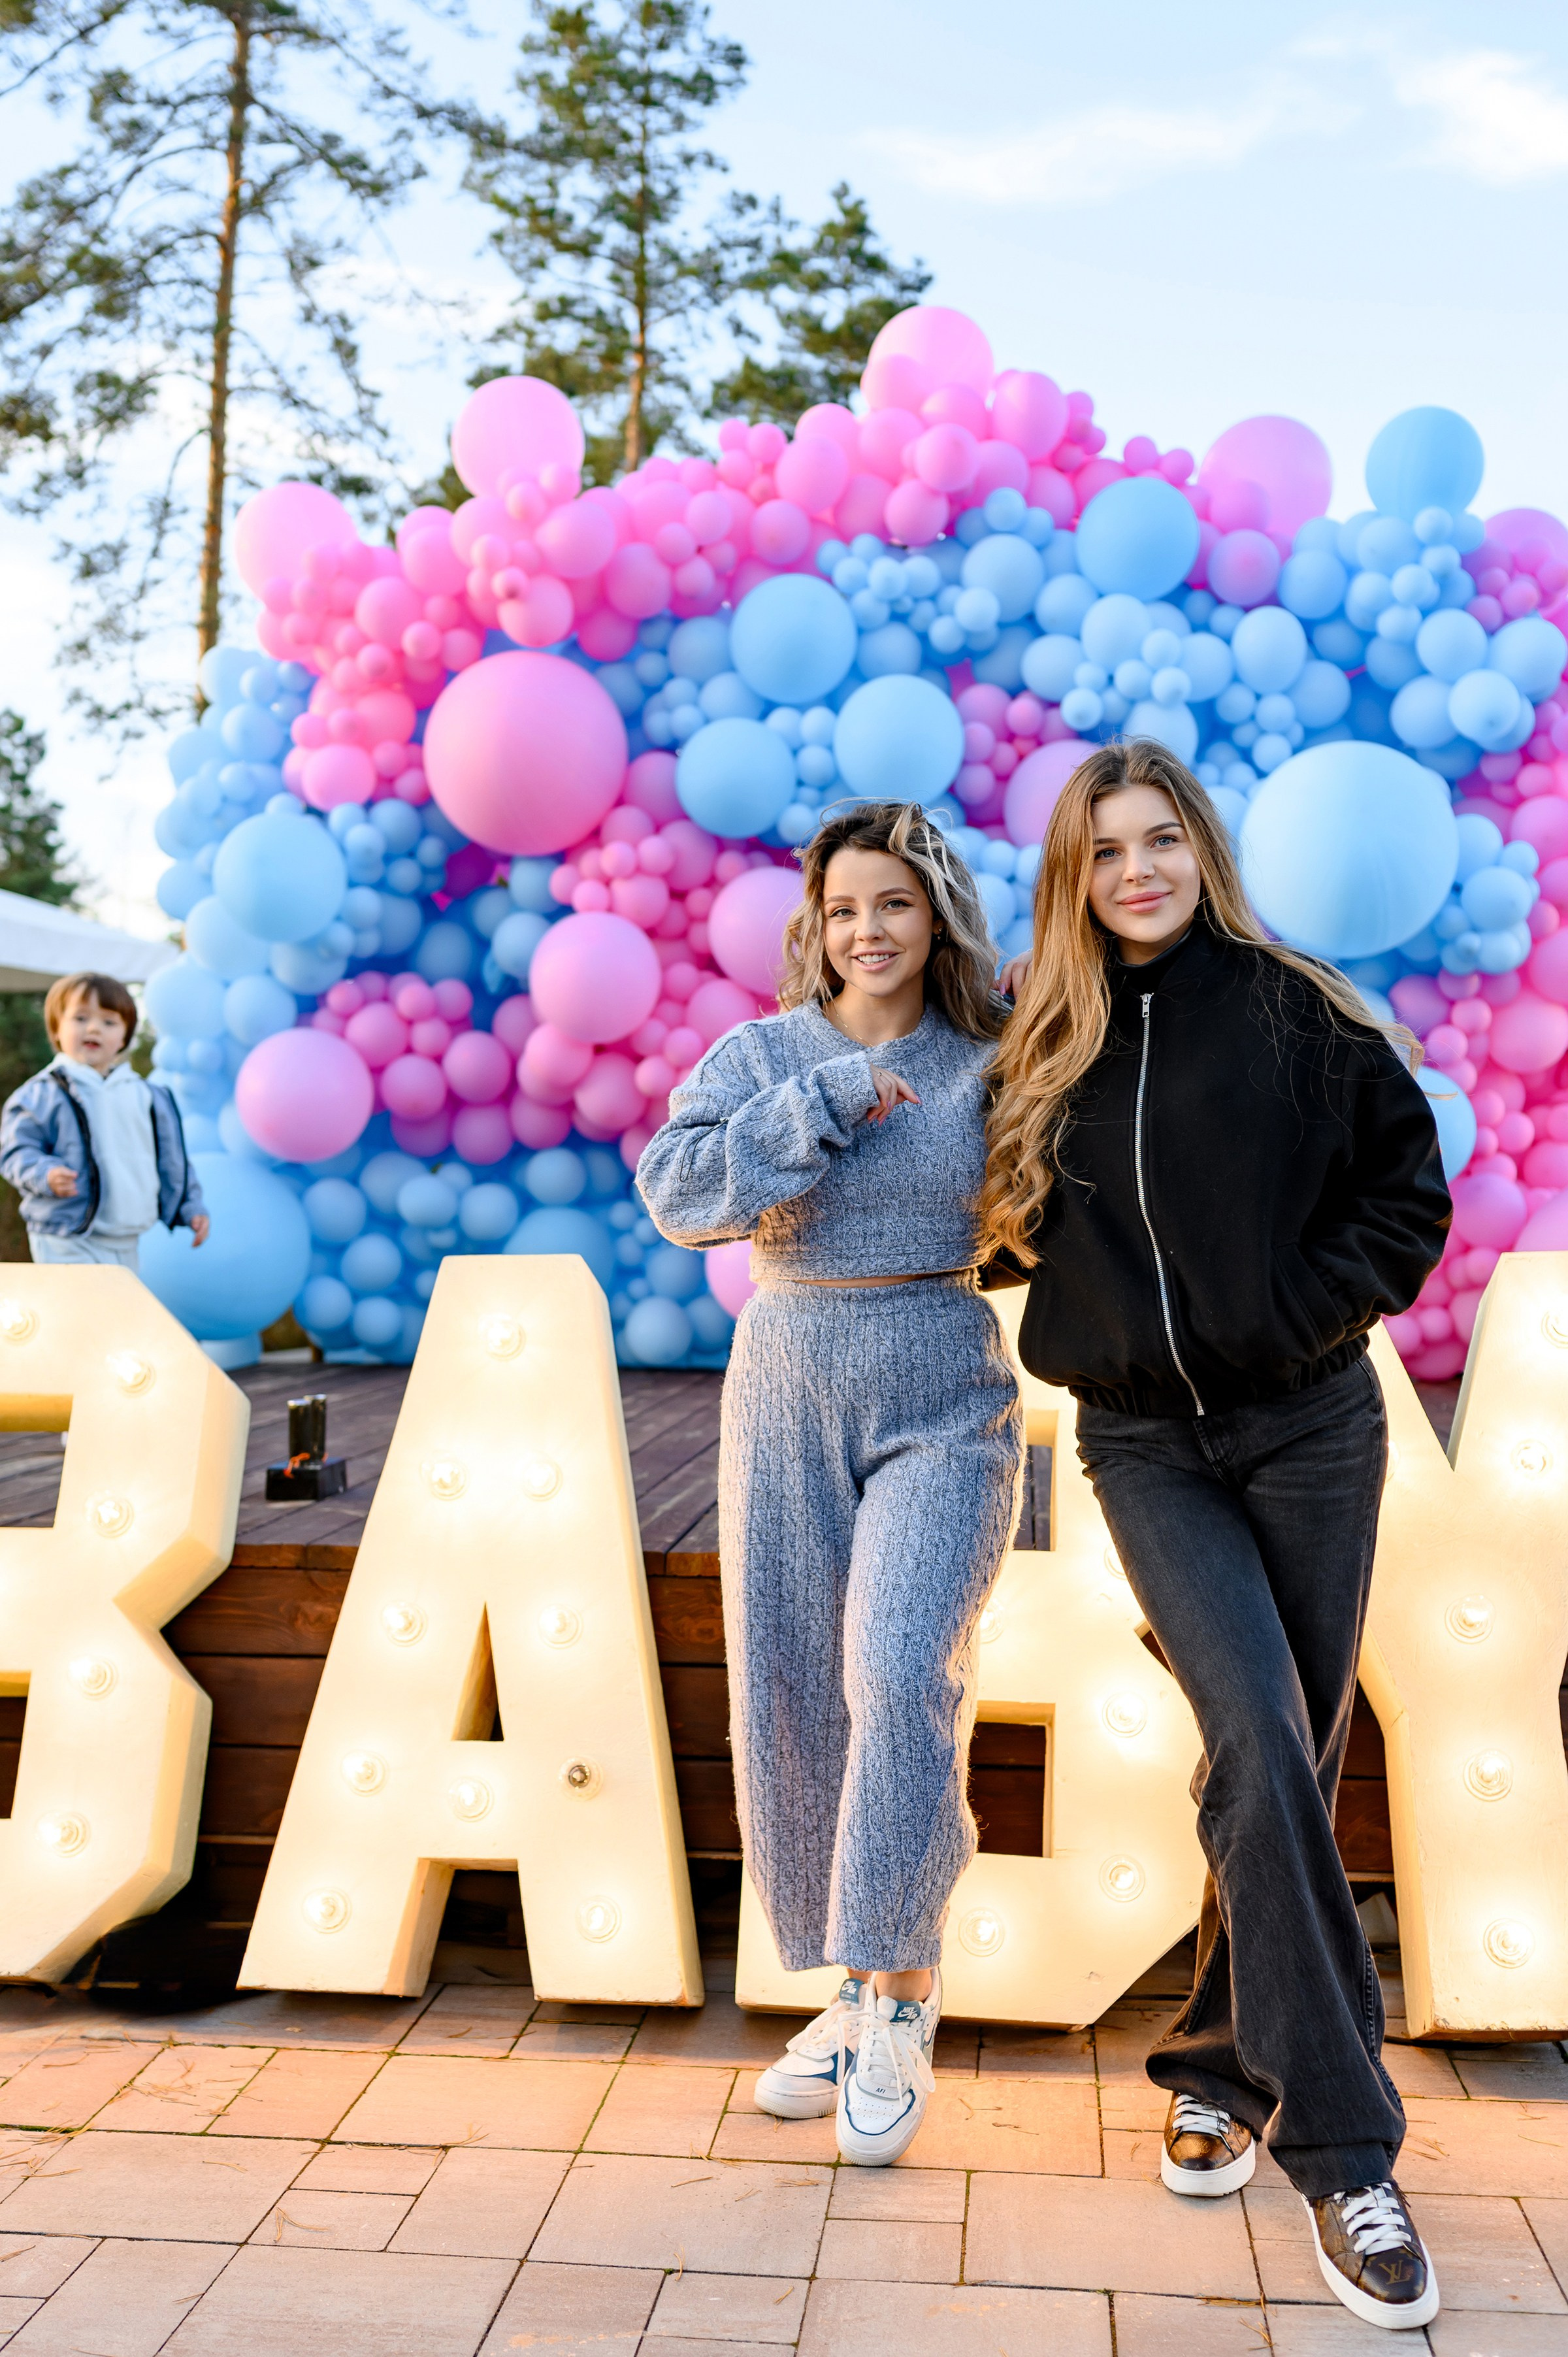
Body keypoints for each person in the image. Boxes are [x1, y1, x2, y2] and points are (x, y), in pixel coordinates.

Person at [983, 740, 1449, 2332]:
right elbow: (994, 1229)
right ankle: (1346, 2155)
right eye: (1106, 849)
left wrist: (1301, 1312)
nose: (1138, 870)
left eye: (1160, 838)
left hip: (1313, 1427)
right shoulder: (1042, 1040)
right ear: (1074, 876)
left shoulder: (1295, 1008)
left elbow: (1405, 1192)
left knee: (1281, 1759)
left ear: (1202, 850)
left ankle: (1214, 2060)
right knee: (1255, 1730)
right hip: (1143, 1445)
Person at [638, 801, 1023, 2167]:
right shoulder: (763, 1055)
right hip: (788, 1381)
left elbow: (1054, 1204)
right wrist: (818, 1105)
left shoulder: (991, 1059)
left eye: (895, 904)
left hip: (945, 1384)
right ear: (817, 923)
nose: (868, 930)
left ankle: (900, 1995)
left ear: (938, 917)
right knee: (795, 1686)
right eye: (846, 907)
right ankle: (853, 1982)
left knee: (902, 1671)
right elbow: (680, 1195)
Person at [1, 969, 208, 1268]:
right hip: (66, 1236)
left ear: (125, 1037)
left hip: (127, 1238)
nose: (94, 1029)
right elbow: (16, 1151)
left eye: (109, 1022)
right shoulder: (42, 1093)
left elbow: (173, 1161)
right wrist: (45, 1173)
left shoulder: (147, 1095)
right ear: (57, 1028)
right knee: (80, 1300)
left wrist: (190, 1206)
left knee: (118, 1300)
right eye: (80, 1018)